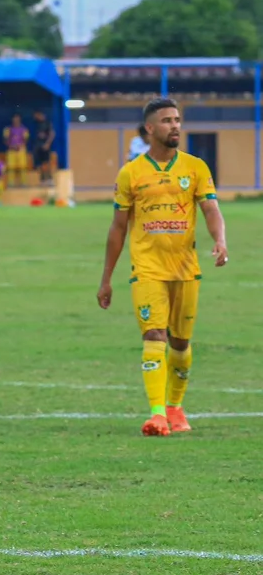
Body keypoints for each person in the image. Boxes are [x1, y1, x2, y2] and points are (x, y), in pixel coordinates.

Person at [97, 97, 228, 437]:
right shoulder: (131, 173)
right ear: (150, 129)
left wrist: (220, 239)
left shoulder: (195, 167)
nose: (175, 126)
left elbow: (211, 210)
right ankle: (156, 415)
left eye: (178, 120)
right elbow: (117, 228)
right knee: (154, 337)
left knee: (180, 344)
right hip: (147, 269)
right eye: (168, 120)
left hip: (186, 269)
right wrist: (106, 279)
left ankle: (175, 407)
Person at [4, 113, 28, 187]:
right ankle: (10, 183)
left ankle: (23, 183)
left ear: (20, 119)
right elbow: (5, 140)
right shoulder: (8, 129)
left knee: (23, 167)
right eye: (14, 119)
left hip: (21, 150)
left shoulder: (24, 129)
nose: (16, 120)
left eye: (17, 119)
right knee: (11, 168)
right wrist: (11, 146)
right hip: (11, 151)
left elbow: (25, 140)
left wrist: (20, 146)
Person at [32, 110, 55, 185]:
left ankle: (49, 178)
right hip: (39, 147)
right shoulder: (37, 124)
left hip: (45, 146)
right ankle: (43, 179)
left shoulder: (47, 123)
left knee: (46, 163)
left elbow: (52, 134)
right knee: (41, 164)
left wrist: (47, 144)